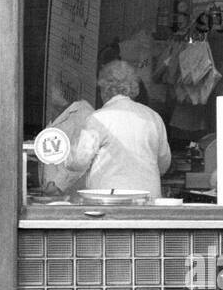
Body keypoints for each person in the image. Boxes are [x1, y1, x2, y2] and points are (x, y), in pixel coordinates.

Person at [70, 60, 172, 198]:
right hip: (148, 199)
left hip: (111, 199)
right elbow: (164, 164)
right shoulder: (153, 117)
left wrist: (66, 155)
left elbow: (79, 161)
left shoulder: (98, 119)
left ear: (104, 89)